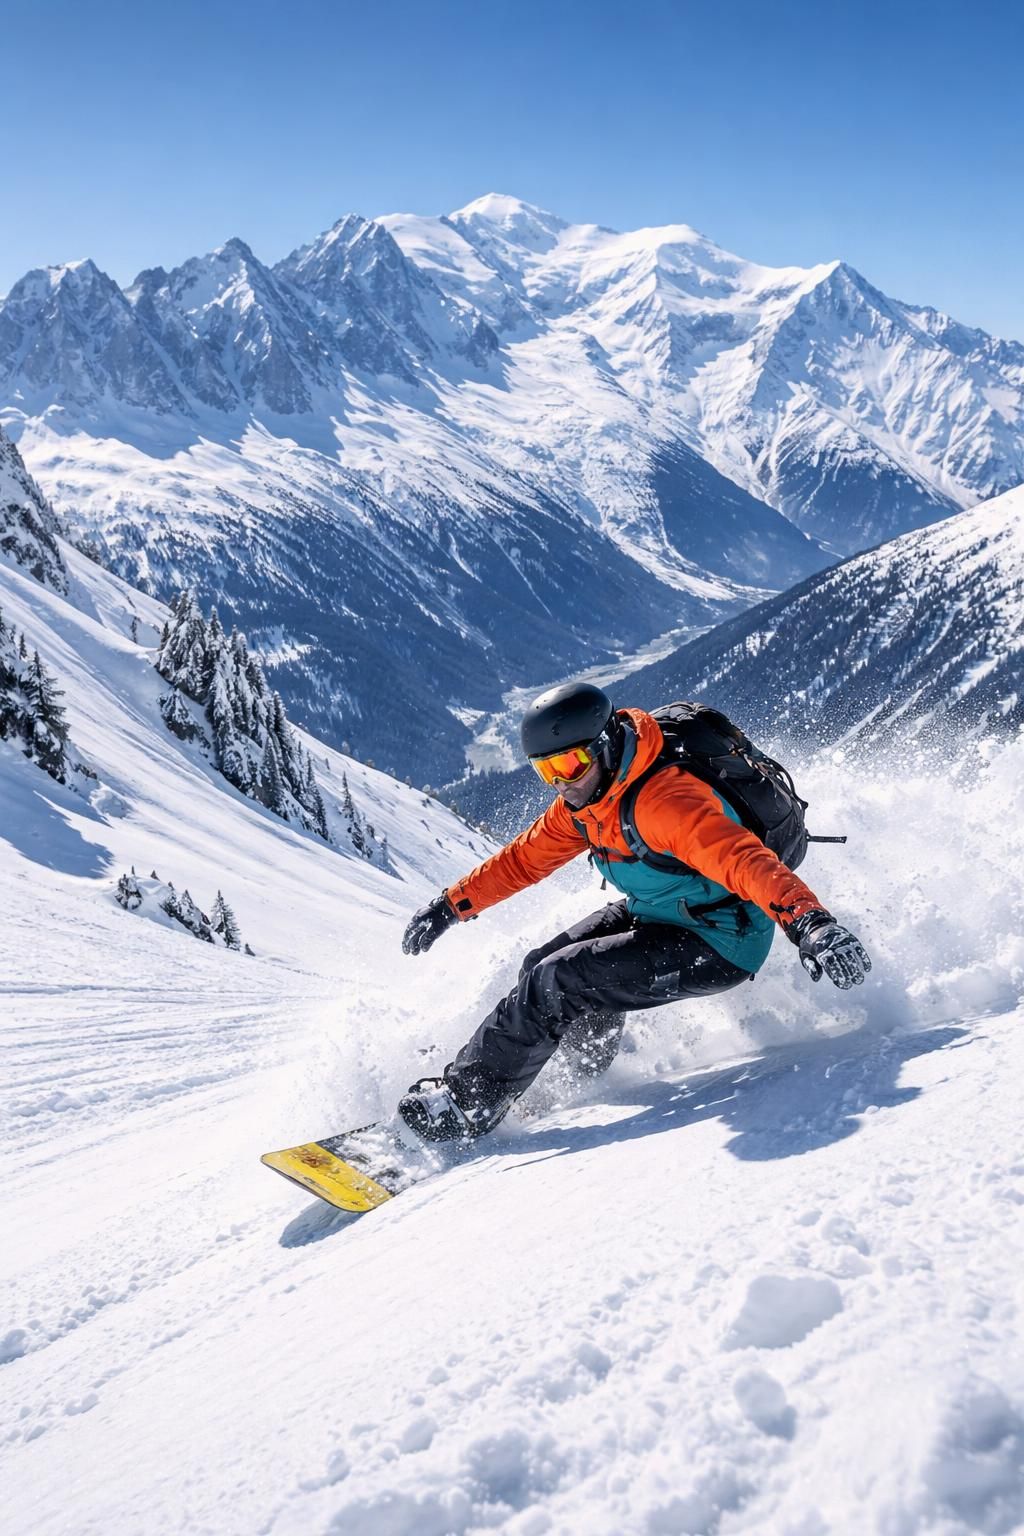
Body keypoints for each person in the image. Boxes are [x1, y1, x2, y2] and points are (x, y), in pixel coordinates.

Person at [399, 683, 871, 1142]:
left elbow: (746, 863)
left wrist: (812, 924)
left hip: (720, 939)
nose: (562, 783)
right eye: (547, 772)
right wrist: (450, 906)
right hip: (660, 911)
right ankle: (570, 1077)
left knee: (557, 980)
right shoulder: (588, 800)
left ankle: (467, 1104)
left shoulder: (666, 803)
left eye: (570, 763)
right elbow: (523, 860)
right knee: (537, 968)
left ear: (604, 746)